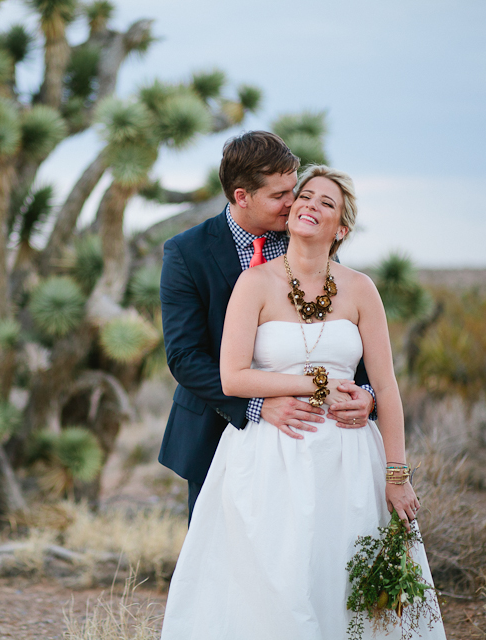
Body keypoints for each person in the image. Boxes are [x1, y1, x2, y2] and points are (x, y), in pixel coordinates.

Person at [159, 165, 446, 638]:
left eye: (326, 203)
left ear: (343, 228)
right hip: (270, 452)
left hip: (349, 459)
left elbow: (386, 386)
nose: (310, 204)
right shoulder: (252, 283)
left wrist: (396, 474)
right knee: (272, 582)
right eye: (305, 196)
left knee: (342, 579)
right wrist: (311, 388)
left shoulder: (361, 289)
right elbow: (229, 375)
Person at [158, 131, 376, 518]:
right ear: (242, 197)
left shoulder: (307, 244)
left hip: (311, 437)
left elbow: (342, 338)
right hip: (216, 428)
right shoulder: (187, 253)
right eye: (279, 196)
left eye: (294, 189)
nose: (294, 203)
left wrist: (366, 395)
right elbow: (185, 356)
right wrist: (258, 404)